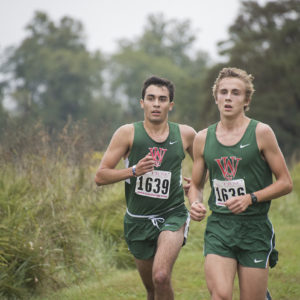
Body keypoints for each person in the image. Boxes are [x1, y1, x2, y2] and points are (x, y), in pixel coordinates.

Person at [188, 67, 293, 300]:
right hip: (220, 227)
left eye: (235, 93)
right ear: (215, 97)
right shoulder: (203, 138)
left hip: (254, 228)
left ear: (246, 100)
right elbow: (195, 185)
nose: (228, 97)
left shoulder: (262, 133)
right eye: (223, 92)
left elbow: (286, 183)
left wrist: (250, 198)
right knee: (221, 295)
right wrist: (195, 203)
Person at [95, 75, 196, 300]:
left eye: (162, 99)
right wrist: (133, 171)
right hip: (138, 220)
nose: (156, 104)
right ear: (142, 103)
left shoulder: (186, 134)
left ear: (171, 104)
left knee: (161, 276)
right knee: (152, 288)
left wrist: (195, 186)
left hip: (173, 213)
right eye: (151, 98)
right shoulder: (127, 133)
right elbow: (100, 176)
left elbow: (205, 164)